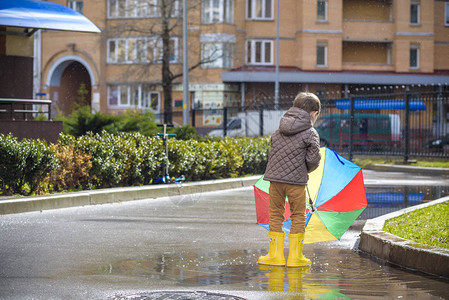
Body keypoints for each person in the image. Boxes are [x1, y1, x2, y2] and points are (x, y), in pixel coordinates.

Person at [258, 92, 321, 267]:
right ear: (313, 113)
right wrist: (305, 169)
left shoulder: (279, 129)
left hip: (275, 180)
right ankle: (295, 257)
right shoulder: (310, 132)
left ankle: (275, 256)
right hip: (296, 183)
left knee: (276, 214)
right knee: (298, 216)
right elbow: (313, 158)